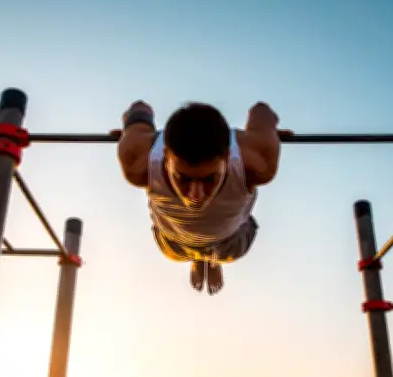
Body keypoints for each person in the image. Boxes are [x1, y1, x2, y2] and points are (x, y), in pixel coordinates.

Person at [116, 100, 290, 295]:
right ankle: (203, 258)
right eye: (183, 178)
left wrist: (129, 134)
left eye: (209, 179)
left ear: (227, 156)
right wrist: (267, 135)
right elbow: (140, 108)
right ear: (166, 157)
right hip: (175, 244)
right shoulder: (137, 163)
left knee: (228, 241)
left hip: (228, 244)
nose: (195, 195)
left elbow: (261, 110)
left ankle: (207, 258)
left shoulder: (258, 163)